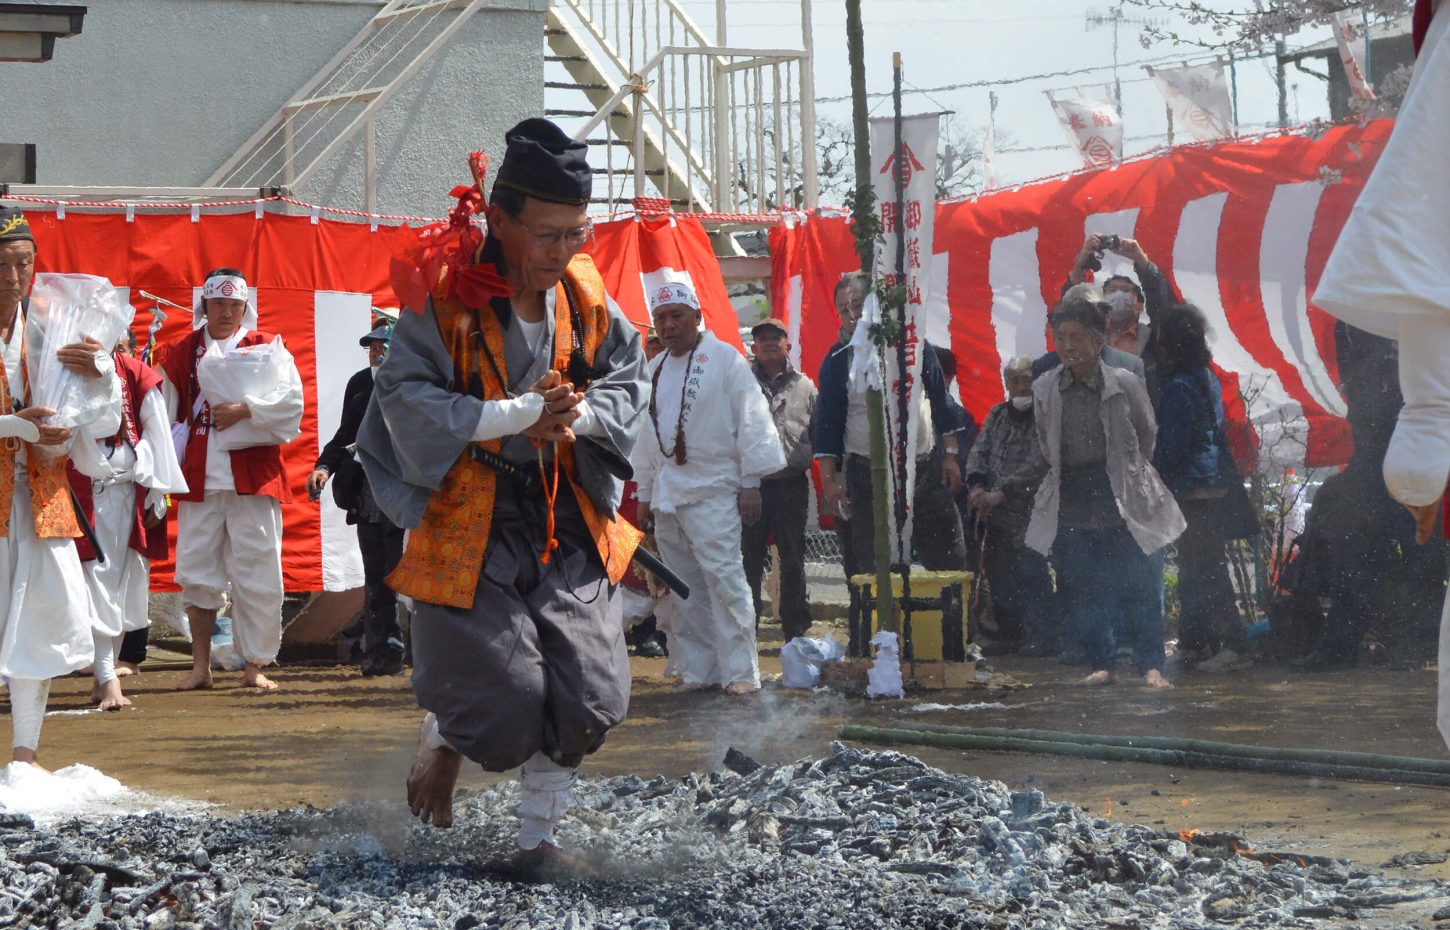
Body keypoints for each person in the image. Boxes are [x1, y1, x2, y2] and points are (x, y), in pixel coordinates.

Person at [356, 119, 648, 877]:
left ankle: (537, 846)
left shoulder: (583, 292)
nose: (563, 253)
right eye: (548, 235)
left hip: (562, 506)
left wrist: (577, 416)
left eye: (576, 235)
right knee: (506, 706)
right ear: (501, 220)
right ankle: (446, 735)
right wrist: (515, 415)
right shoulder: (442, 295)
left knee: (588, 694)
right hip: (468, 515)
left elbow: (626, 374)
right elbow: (402, 393)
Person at [1313, 0, 1449, 725]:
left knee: (1417, 550)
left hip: (1411, 434)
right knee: (1379, 540)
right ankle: (1375, 637)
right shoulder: (1374, 297)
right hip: (1389, 441)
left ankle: (1403, 639)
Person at [0, 206, 123, 765]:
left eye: (23, 263)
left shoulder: (52, 328)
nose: (12, 277)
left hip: (40, 497)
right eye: (1, 265)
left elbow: (106, 422)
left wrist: (102, 375)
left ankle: (24, 757)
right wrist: (10, 425)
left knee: (40, 622)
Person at [155, 268, 304, 692]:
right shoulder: (180, 351)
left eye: (233, 304)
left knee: (258, 570)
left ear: (245, 306)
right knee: (198, 573)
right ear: (204, 305)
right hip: (199, 478)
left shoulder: (267, 348)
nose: (225, 312)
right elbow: (165, 417)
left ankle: (255, 665)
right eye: (218, 303)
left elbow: (292, 401)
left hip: (253, 478)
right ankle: (200, 666)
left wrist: (246, 410)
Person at [634, 281, 785, 694]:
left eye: (676, 316)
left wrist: (750, 481)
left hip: (715, 489)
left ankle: (740, 672)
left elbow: (751, 419)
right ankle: (699, 670)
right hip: (668, 494)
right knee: (683, 584)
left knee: (725, 578)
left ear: (697, 317)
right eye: (660, 318)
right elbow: (646, 438)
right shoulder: (655, 369)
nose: (667, 326)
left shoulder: (725, 359)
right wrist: (644, 494)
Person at [1026, 299, 1185, 689]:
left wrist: (1127, 471)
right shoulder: (1045, 387)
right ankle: (1104, 663)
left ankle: (1151, 666)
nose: (1068, 346)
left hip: (1122, 488)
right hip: (1075, 491)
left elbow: (1147, 434)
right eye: (1060, 338)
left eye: (1076, 337)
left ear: (1098, 342)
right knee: (1086, 583)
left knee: (1138, 581)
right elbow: (1046, 443)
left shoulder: (1126, 382)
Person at [816, 278, 968, 577]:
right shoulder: (836, 361)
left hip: (923, 468)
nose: (852, 316)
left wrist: (950, 456)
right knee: (873, 567)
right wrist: (830, 481)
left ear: (875, 306)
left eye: (858, 306)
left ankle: (952, 623)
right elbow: (827, 426)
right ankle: (882, 624)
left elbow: (941, 402)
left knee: (949, 560)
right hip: (866, 474)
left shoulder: (914, 346)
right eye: (843, 309)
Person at [69, 331, 188, 710]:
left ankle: (105, 675)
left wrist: (157, 491)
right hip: (73, 494)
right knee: (91, 583)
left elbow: (157, 433)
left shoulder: (134, 372)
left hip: (121, 493)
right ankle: (104, 675)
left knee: (116, 585)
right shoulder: (62, 369)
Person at [1152, 304, 1252, 672]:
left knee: (1206, 569)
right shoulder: (1205, 376)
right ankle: (1193, 643)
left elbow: (1174, 444)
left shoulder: (1178, 385)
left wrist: (1154, 477)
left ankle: (1234, 645)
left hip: (1192, 488)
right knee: (1197, 568)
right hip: (1211, 485)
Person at [307, 318, 406, 677]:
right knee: (377, 576)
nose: (376, 354)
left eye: (384, 346)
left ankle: (417, 652)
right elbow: (345, 433)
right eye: (372, 348)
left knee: (405, 577)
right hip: (367, 494)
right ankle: (382, 651)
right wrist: (323, 466)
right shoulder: (361, 384)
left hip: (404, 494)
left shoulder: (417, 385)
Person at [964, 357, 1053, 656]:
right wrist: (976, 486)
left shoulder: (1044, 416)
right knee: (999, 575)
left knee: (1031, 572)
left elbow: (1039, 463)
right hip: (994, 513)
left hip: (1029, 511)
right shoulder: (998, 413)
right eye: (1013, 380)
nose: (1020, 386)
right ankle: (1009, 634)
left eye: (1026, 379)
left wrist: (1002, 493)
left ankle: (1043, 636)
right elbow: (980, 450)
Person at [740, 317, 817, 643]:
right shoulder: (740, 383)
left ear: (788, 345)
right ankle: (746, 629)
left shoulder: (805, 386)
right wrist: (747, 483)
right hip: (750, 487)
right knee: (749, 560)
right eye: (763, 339)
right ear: (754, 347)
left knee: (793, 558)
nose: (770, 343)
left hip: (791, 484)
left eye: (776, 338)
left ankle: (795, 631)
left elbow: (818, 432)